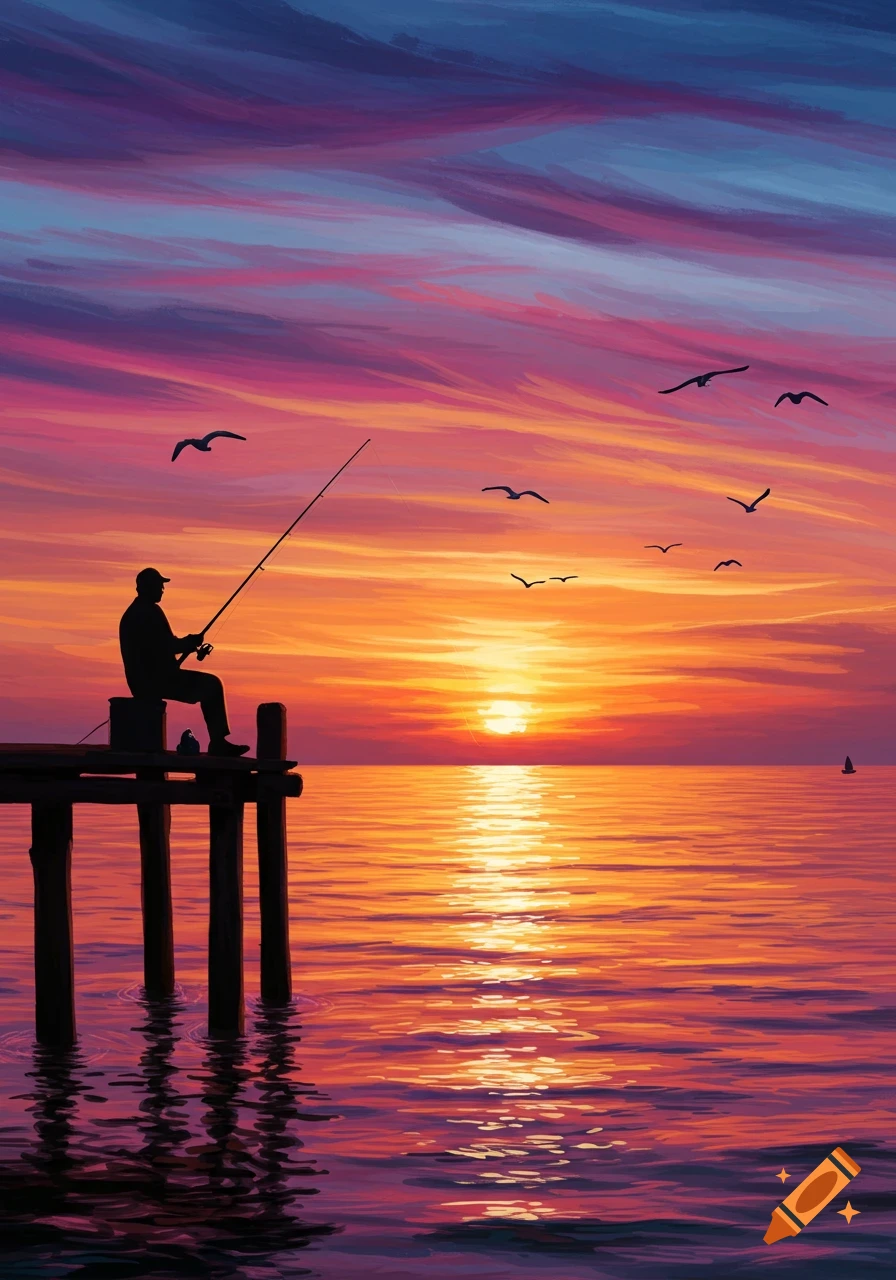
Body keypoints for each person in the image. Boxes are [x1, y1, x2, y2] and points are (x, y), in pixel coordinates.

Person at [119, 567, 248, 756]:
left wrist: (186, 644)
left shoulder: (137, 612)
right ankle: (218, 743)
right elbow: (167, 646)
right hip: (154, 682)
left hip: (147, 681)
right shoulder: (147, 612)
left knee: (209, 685)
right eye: (160, 585)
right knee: (212, 685)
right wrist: (188, 642)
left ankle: (219, 742)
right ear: (148, 587)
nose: (163, 589)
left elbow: (159, 647)